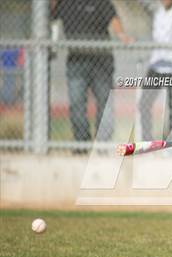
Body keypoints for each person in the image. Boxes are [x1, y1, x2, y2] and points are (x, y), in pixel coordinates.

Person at [52, 0, 132, 147]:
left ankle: (102, 145)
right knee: (76, 105)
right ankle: (81, 144)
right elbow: (51, 19)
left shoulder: (100, 2)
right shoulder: (64, 3)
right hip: (76, 61)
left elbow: (113, 20)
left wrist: (122, 35)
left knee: (105, 103)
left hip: (101, 60)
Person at [139, 0, 172, 140]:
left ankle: (170, 141)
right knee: (144, 103)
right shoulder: (157, 14)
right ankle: (146, 140)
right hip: (157, 65)